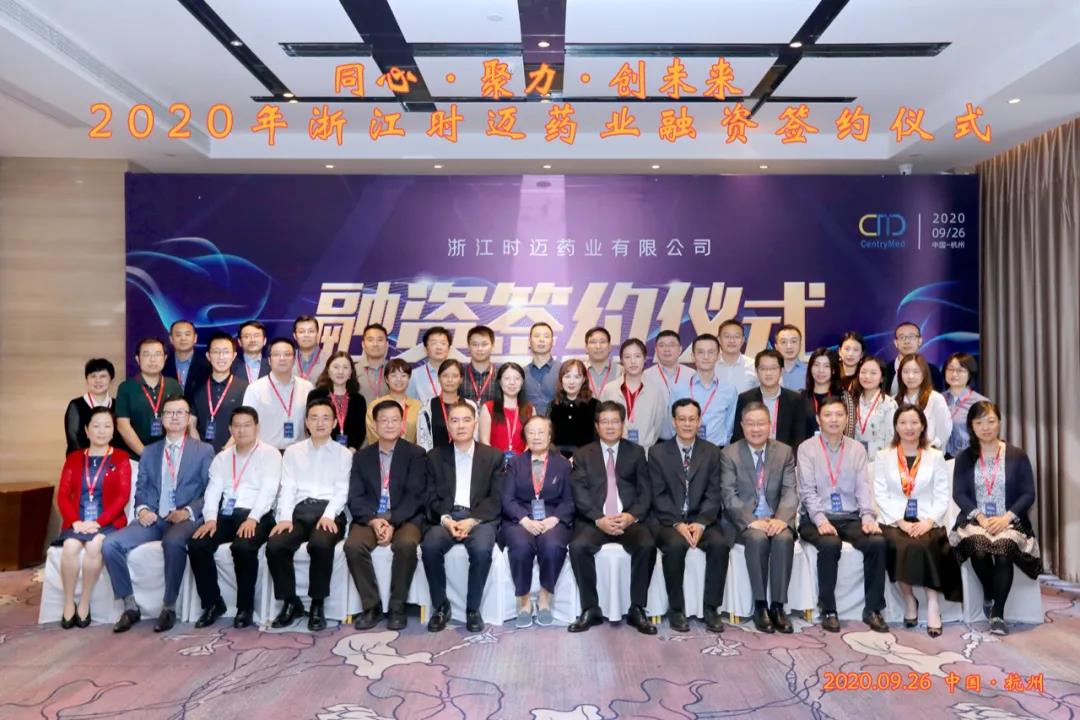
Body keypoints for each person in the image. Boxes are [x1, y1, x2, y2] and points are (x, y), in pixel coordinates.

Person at [104, 395, 213, 632]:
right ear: (162, 418)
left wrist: (188, 511)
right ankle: (130, 605)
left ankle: (169, 607)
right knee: (110, 544)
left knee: (173, 542)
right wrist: (142, 509)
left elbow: (210, 491)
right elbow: (141, 488)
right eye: (169, 413)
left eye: (180, 412)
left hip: (183, 517)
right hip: (154, 518)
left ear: (188, 419)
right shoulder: (150, 452)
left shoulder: (203, 451)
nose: (174, 417)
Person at [796, 396, 888, 633]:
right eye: (828, 415)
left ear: (847, 419)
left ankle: (873, 610)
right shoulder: (807, 448)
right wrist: (820, 520)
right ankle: (828, 609)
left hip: (850, 517)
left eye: (839, 415)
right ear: (819, 419)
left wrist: (867, 517)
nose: (834, 420)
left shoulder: (856, 448)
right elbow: (807, 491)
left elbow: (863, 487)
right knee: (830, 543)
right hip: (815, 517)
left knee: (877, 542)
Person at [949, 401, 1042, 636]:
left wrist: (1006, 518)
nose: (986, 427)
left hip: (1010, 521)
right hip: (975, 520)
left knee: (1003, 551)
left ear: (999, 422)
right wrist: (980, 517)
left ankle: (997, 614)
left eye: (991, 421)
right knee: (979, 549)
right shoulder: (965, 457)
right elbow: (959, 493)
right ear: (971, 426)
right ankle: (990, 592)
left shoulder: (1017, 455)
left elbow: (1028, 494)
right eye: (979, 422)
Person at [567, 401, 657, 635]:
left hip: (627, 519)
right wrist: (599, 519)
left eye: (615, 421)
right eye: (605, 422)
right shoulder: (583, 454)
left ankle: (637, 608)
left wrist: (631, 516)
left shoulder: (636, 452)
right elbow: (580, 492)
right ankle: (590, 608)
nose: (610, 426)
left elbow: (645, 492)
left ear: (622, 424)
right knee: (578, 547)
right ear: (597, 426)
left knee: (647, 545)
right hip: (596, 520)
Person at [187, 406, 282, 629]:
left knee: (243, 547)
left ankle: (244, 608)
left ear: (257, 428)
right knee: (197, 544)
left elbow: (269, 490)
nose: (241, 430)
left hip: (258, 514)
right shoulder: (222, 458)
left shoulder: (270, 454)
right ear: (230, 429)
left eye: (247, 425)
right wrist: (211, 519)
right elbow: (213, 491)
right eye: (237, 426)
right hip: (226, 515)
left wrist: (253, 518)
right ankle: (213, 604)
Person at [873, 404, 962, 638]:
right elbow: (881, 494)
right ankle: (909, 599)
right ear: (896, 426)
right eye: (903, 422)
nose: (909, 427)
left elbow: (942, 494)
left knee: (926, 543)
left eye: (914, 422)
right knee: (899, 544)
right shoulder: (884, 456)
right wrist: (901, 522)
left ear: (922, 426)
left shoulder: (934, 456)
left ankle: (933, 604)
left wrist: (929, 521)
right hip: (894, 520)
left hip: (927, 518)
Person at [266, 397, 351, 631]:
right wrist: (285, 518)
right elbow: (288, 487)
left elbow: (342, 490)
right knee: (275, 545)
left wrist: (329, 515)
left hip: (330, 511)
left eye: (325, 418)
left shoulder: (344, 454)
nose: (320, 423)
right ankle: (290, 602)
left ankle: (317, 604)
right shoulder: (293, 452)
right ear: (306, 422)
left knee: (321, 544)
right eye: (314, 418)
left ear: (334, 423)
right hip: (299, 511)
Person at [422, 400, 505, 632]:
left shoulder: (493, 456)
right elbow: (429, 497)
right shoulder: (434, 457)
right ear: (448, 425)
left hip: (479, 518)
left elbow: (496, 498)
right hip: (447, 517)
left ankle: (472, 609)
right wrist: (446, 520)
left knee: (481, 549)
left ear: (475, 423)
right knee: (430, 546)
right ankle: (441, 606)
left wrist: (472, 520)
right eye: (455, 421)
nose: (461, 426)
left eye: (466, 420)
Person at [345, 399, 429, 631]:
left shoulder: (416, 454)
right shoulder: (362, 457)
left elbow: (416, 495)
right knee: (353, 546)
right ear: (374, 425)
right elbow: (355, 496)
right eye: (384, 420)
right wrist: (374, 520)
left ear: (402, 424)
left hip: (405, 517)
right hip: (371, 517)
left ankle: (397, 606)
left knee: (405, 545)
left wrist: (391, 521)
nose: (390, 425)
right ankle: (371, 606)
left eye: (395, 420)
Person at [650, 399, 728, 633]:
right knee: (675, 546)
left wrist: (701, 523)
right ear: (673, 422)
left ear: (699, 421)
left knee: (720, 545)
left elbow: (714, 493)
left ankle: (711, 608)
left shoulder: (712, 452)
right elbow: (658, 494)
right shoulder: (657, 452)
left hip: (702, 519)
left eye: (692, 419)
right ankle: (676, 609)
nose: (687, 424)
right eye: (682, 419)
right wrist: (677, 523)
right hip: (669, 521)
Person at [720, 402, 799, 634]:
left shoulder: (784, 452)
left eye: (761, 423)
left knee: (784, 539)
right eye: (751, 424)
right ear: (742, 426)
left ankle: (778, 607)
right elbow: (728, 495)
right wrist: (750, 520)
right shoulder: (729, 453)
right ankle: (760, 605)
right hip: (745, 521)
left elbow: (790, 490)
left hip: (775, 517)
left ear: (770, 425)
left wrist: (781, 519)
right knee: (757, 539)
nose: (756, 429)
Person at [54, 407, 131, 628]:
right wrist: (76, 522)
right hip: (78, 521)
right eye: (96, 426)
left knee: (95, 546)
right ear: (87, 430)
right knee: (70, 547)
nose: (101, 431)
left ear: (113, 430)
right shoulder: (74, 458)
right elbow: (63, 495)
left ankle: (84, 602)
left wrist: (98, 522)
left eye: (107, 426)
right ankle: (69, 603)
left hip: (107, 521)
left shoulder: (121, 457)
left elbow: (122, 496)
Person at [500, 415, 574, 628]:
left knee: (553, 545)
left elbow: (569, 501)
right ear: (525, 437)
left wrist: (554, 519)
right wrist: (524, 520)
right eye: (531, 432)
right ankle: (524, 602)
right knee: (520, 546)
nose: (536, 437)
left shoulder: (562, 465)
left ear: (550, 436)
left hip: (552, 518)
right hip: (520, 518)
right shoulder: (515, 463)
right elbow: (507, 499)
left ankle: (544, 599)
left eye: (541, 432)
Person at [115, 338, 184, 461]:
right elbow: (123, 426)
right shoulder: (126, 387)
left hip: (170, 457)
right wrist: (145, 454)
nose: (152, 359)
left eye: (157, 354)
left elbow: (182, 421)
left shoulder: (174, 386)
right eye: (147, 354)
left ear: (165, 358)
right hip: (136, 458)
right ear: (138, 359)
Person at [241, 338, 314, 451]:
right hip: (266, 454)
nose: (282, 358)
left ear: (294, 359)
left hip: (299, 453)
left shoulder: (307, 388)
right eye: (276, 354)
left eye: (287, 354)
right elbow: (245, 423)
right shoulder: (255, 389)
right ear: (269, 360)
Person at [599, 339, 667, 453]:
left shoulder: (655, 391)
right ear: (621, 360)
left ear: (645, 359)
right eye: (627, 357)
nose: (633, 361)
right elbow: (602, 422)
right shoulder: (609, 389)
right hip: (615, 454)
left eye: (637, 356)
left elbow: (657, 427)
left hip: (645, 454)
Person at [670, 334, 738, 448]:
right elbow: (673, 424)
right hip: (686, 449)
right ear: (693, 356)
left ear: (718, 356)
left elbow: (729, 426)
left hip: (718, 450)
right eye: (700, 352)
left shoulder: (729, 390)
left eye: (711, 352)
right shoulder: (678, 389)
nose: (706, 357)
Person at [731, 349, 808, 450]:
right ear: (756, 371)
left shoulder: (795, 400)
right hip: (752, 455)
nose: (768, 373)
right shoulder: (745, 399)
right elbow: (739, 434)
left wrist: (787, 457)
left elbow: (799, 436)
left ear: (781, 371)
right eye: (763, 368)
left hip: (785, 455)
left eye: (773, 368)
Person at [190, 332, 248, 453]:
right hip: (202, 455)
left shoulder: (245, 387)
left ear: (234, 356)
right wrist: (200, 450)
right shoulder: (197, 387)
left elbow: (247, 423)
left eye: (226, 352)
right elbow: (191, 424)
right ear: (208, 356)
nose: (221, 357)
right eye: (216, 352)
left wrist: (227, 450)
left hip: (234, 453)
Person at [64, 358, 126, 455]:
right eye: (93, 376)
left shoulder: (118, 405)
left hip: (113, 460)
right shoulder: (76, 405)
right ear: (87, 380)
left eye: (103, 376)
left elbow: (122, 438)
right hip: (82, 460)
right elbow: (74, 440)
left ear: (111, 380)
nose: (98, 380)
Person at [310, 350, 368, 451]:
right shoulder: (316, 395)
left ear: (350, 373)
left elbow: (360, 431)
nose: (340, 372)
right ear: (328, 371)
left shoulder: (358, 400)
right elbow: (312, 424)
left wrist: (351, 450)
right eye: (336, 367)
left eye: (345, 367)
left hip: (350, 453)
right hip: (320, 450)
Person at [843, 356, 898, 460]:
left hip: (879, 463)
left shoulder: (889, 404)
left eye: (873, 373)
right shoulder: (851, 402)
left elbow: (891, 442)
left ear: (882, 378)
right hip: (853, 461)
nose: (867, 376)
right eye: (863, 372)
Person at [642, 329, 694, 440]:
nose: (666, 349)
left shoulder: (692, 375)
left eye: (671, 345)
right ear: (656, 349)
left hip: (687, 437)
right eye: (662, 345)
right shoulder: (645, 376)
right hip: (656, 440)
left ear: (680, 349)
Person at [895, 354, 952, 451]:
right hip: (900, 455)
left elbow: (944, 431)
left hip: (929, 454)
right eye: (905, 371)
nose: (910, 376)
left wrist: (931, 447)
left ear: (924, 374)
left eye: (916, 372)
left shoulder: (935, 399)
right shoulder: (894, 400)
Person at [417, 359, 477, 451]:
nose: (450, 380)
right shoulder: (426, 407)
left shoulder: (470, 405)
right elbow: (422, 442)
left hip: (464, 457)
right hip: (435, 458)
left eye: (455, 376)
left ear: (461, 379)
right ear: (439, 379)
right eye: (445, 376)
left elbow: (475, 437)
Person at [479, 362, 533, 461]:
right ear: (499, 382)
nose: (512, 383)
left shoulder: (530, 409)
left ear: (522, 382)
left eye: (517, 378)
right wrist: (496, 460)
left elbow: (531, 442)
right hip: (494, 463)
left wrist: (522, 461)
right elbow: (484, 441)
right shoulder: (488, 407)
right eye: (507, 378)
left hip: (522, 464)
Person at [942, 352, 989, 458]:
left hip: (969, 458)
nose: (954, 374)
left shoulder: (980, 403)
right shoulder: (937, 399)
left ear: (970, 373)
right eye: (950, 369)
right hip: (940, 459)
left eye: (960, 370)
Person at [549, 358, 598, 457]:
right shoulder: (552, 405)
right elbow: (548, 438)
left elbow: (597, 439)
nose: (571, 382)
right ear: (561, 379)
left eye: (577, 377)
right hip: (556, 459)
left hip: (586, 459)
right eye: (567, 376)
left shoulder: (595, 405)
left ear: (583, 379)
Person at [365, 358, 421, 445]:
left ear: (409, 378)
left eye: (403, 375)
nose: (399, 379)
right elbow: (372, 434)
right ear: (386, 379)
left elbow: (422, 436)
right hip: (382, 452)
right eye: (393, 375)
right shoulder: (375, 405)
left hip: (412, 452)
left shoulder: (418, 406)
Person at [883, 322, 944, 393]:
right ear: (896, 343)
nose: (907, 341)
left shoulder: (933, 371)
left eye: (911, 337)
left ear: (920, 341)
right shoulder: (885, 370)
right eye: (902, 337)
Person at [162, 319, 211, 397]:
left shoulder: (207, 366)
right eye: (178, 335)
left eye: (187, 334)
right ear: (171, 339)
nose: (183, 338)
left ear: (195, 338)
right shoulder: (163, 365)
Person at [407, 326, 453, 406]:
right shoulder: (414, 375)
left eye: (443, 343)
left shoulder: (457, 374)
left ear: (449, 348)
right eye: (434, 343)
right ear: (426, 348)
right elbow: (408, 404)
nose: (439, 347)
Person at [523, 321, 561, 415]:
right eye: (537, 336)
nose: (541, 340)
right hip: (529, 423)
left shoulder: (563, 370)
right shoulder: (521, 373)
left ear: (552, 342)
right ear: (529, 342)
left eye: (546, 336)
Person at [802, 348, 842, 436]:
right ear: (810, 368)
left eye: (826, 366)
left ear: (833, 370)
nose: (821, 370)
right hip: (807, 444)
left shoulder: (843, 397)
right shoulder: (800, 398)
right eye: (816, 365)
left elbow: (849, 432)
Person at [715, 319, 758, 395]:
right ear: (719, 339)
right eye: (727, 336)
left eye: (736, 336)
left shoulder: (754, 366)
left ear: (743, 340)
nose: (732, 341)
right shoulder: (710, 366)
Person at [460, 325, 499, 406]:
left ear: (492, 346)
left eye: (484, 344)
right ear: (468, 347)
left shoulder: (500, 375)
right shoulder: (459, 374)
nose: (480, 349)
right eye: (475, 344)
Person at [355, 323, 391, 405]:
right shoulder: (353, 371)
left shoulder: (394, 369)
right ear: (363, 344)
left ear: (387, 344)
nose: (375, 344)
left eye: (380, 340)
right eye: (370, 340)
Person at [584, 326, 622, 397]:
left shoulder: (621, 371)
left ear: (610, 347)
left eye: (603, 342)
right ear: (586, 348)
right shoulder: (578, 370)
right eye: (593, 342)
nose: (598, 346)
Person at [292, 315, 327, 382]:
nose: (306, 335)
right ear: (295, 336)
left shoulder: (329, 360)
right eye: (301, 332)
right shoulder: (287, 359)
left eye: (311, 331)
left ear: (318, 334)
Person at [774, 324, 807, 392]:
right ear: (776, 346)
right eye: (783, 342)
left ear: (800, 344)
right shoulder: (768, 372)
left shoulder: (810, 371)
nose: (789, 346)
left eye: (793, 341)